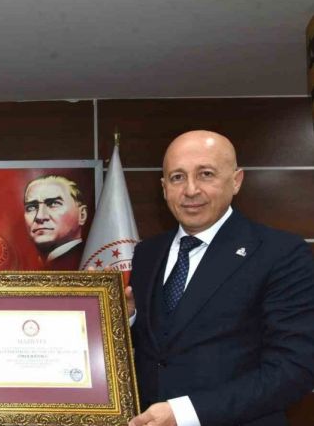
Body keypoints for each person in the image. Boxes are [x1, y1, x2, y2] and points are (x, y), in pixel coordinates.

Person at [128, 130, 314, 426]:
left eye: (206, 174)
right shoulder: (147, 253)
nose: (190, 190)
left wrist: (186, 413)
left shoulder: (281, 254)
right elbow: (156, 351)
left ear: (236, 181)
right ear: (164, 188)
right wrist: (128, 317)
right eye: (177, 177)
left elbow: (294, 369)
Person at [23, 174, 88, 269]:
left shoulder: (92, 261)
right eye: (31, 207)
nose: (40, 216)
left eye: (54, 204)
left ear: (82, 215)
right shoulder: (35, 265)